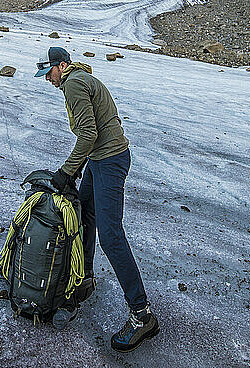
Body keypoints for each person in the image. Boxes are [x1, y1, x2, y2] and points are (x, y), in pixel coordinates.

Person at [34, 46, 160, 352]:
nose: (47, 80)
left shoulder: (73, 83)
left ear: (61, 66)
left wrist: (66, 171)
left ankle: (142, 315)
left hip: (108, 160)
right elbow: (93, 135)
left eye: (48, 73)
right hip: (100, 159)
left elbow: (88, 134)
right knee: (85, 214)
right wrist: (79, 167)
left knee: (111, 236)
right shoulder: (78, 79)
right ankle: (85, 278)